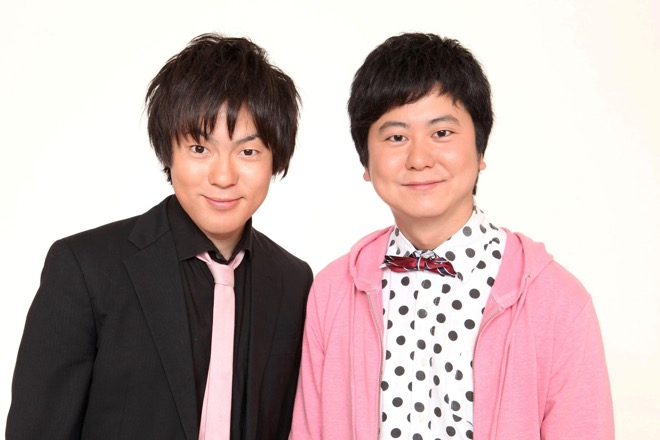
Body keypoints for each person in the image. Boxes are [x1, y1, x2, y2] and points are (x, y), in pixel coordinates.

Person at [289, 33, 613, 439]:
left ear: (480, 150)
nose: (419, 158)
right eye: (396, 137)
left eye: (441, 133)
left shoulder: (558, 301)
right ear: (366, 162)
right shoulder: (333, 292)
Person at [7, 33, 312, 440]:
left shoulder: (295, 282)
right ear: (167, 151)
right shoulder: (85, 268)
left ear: (277, 158)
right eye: (200, 149)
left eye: (248, 151)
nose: (223, 176)